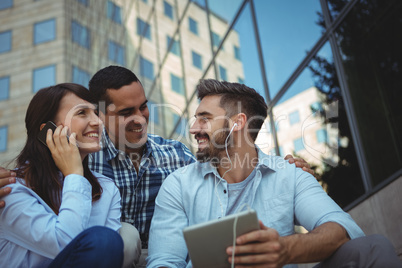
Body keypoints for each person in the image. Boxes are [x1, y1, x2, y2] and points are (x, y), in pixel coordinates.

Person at [0, 66, 315, 266]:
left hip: (163, 256)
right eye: (126, 112)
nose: (140, 118)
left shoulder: (174, 155)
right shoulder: (80, 159)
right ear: (104, 115)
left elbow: (224, 178)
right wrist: (71, 173)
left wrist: (283, 170)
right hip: (107, 256)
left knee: (121, 238)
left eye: (144, 107)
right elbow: (77, 242)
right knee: (121, 237)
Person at [147, 79, 402, 268]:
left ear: (237, 122)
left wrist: (285, 249)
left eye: (204, 118)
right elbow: (163, 262)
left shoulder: (289, 175)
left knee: (372, 248)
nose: (193, 129)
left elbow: (342, 229)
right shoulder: (178, 185)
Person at [0, 83, 124, 267]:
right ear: (48, 131)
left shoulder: (107, 189)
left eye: (96, 113)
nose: (98, 122)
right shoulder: (10, 188)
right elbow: (65, 242)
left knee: (115, 239)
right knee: (103, 239)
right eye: (82, 113)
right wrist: (74, 174)